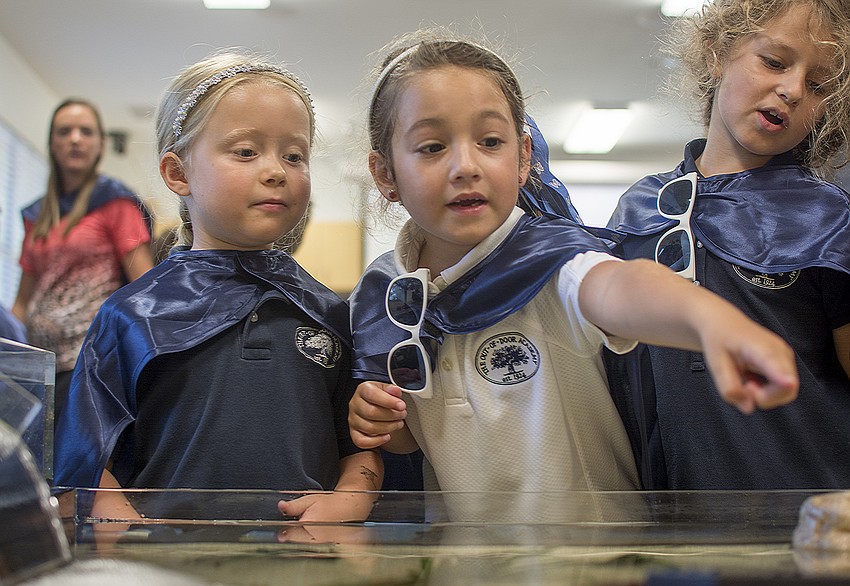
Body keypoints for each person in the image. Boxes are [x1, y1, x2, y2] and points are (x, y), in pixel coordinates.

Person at [346, 32, 799, 522]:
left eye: (490, 142)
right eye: (432, 146)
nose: (465, 166)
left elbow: (621, 288)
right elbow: (410, 436)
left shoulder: (554, 260)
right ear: (385, 174)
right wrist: (381, 421)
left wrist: (712, 321)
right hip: (466, 563)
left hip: (594, 560)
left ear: (522, 159)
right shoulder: (382, 297)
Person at [53, 51, 381, 523]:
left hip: (304, 555)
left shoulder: (330, 313)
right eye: (246, 152)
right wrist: (117, 521)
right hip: (167, 558)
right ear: (178, 173)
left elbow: (361, 446)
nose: (276, 171)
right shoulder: (132, 316)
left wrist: (351, 498)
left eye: (295, 155)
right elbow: (87, 456)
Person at [606, 0, 850, 490]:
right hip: (675, 528)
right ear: (718, 53)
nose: (793, 88)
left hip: (806, 521)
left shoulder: (829, 221)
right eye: (775, 62)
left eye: (819, 85)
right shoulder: (639, 211)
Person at [12, 99, 154, 424]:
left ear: (101, 144)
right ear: (52, 142)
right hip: (39, 364)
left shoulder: (116, 203)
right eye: (65, 131)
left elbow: (145, 288)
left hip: (89, 364)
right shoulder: (36, 216)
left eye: (85, 131)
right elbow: (22, 303)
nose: (75, 138)